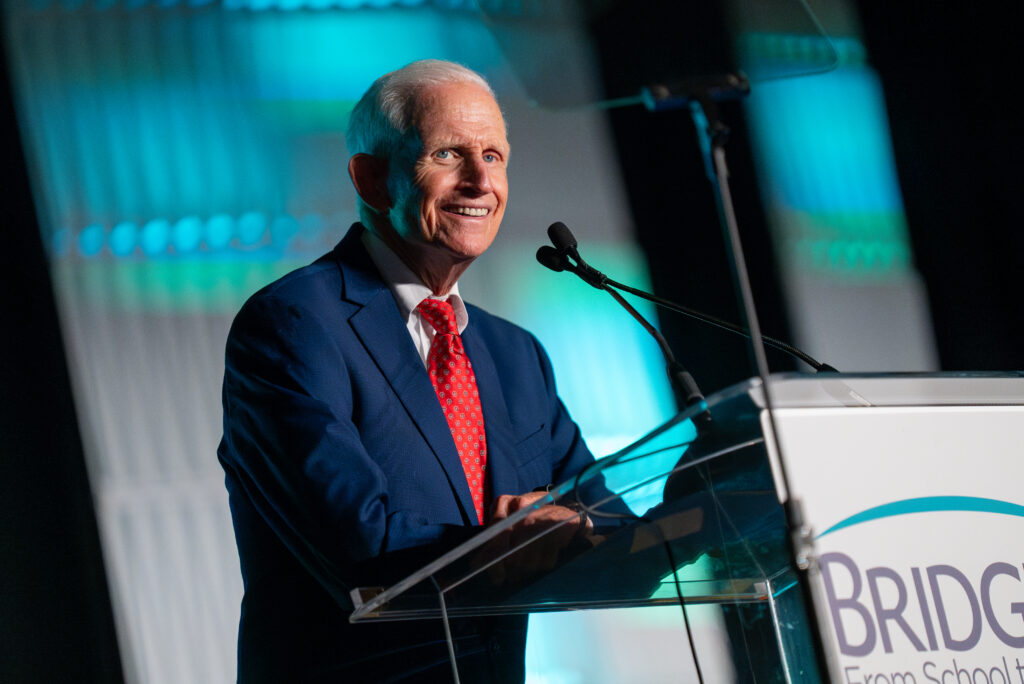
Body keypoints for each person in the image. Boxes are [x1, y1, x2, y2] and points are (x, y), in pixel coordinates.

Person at [218, 59, 597, 683]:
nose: (481, 181)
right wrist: (512, 543)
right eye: (449, 154)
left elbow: (598, 507)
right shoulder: (292, 326)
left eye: (495, 157)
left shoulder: (514, 353)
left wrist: (596, 523)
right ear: (371, 179)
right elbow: (357, 543)